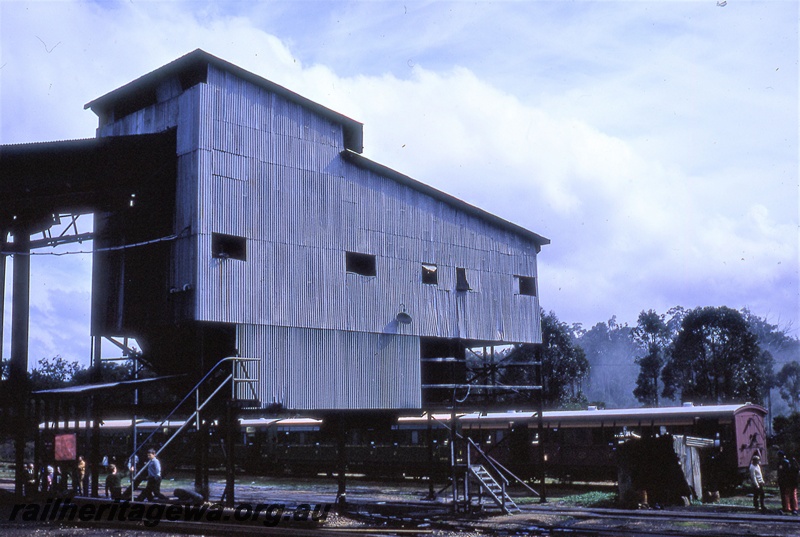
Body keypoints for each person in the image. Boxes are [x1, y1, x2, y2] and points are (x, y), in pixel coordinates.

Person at [777, 450, 799, 515]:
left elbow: (782, 473)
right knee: (793, 495)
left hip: (786, 482)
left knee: (786, 495)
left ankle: (787, 507)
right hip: (793, 482)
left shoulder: (782, 463)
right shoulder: (792, 464)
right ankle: (794, 507)